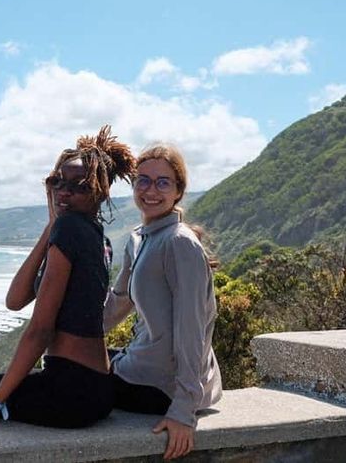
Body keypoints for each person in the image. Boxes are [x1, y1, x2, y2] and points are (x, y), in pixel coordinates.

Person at [0, 126, 135, 428]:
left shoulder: (72, 231)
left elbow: (39, 331)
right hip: (93, 388)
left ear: (100, 193)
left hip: (69, 392)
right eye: (57, 182)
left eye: (78, 186)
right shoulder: (93, 236)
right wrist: (51, 223)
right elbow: (15, 300)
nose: (64, 192)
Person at [103, 143, 222, 460]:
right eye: (143, 180)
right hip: (143, 365)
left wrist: (184, 411)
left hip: (159, 386)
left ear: (178, 191)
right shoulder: (139, 238)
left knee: (62, 386)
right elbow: (117, 303)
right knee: (69, 361)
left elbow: (192, 330)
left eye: (162, 182)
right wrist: (70, 333)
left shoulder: (179, 243)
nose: (150, 190)